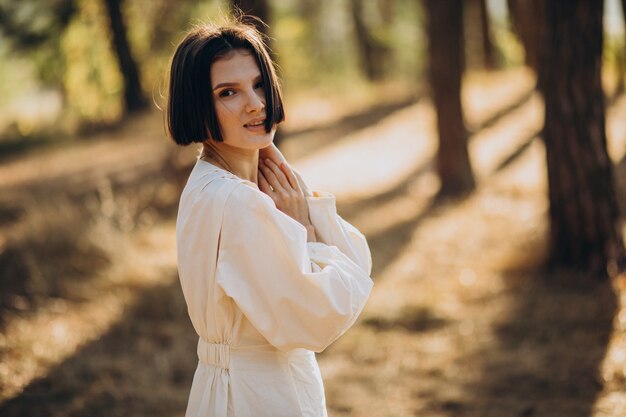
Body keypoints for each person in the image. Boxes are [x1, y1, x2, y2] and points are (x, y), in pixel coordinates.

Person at [166, 17, 373, 417]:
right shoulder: (239, 203)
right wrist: (304, 229)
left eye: (258, 84)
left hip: (230, 385)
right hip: (259, 395)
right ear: (197, 103)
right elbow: (317, 318)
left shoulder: (209, 182)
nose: (255, 104)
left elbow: (355, 265)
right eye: (229, 92)